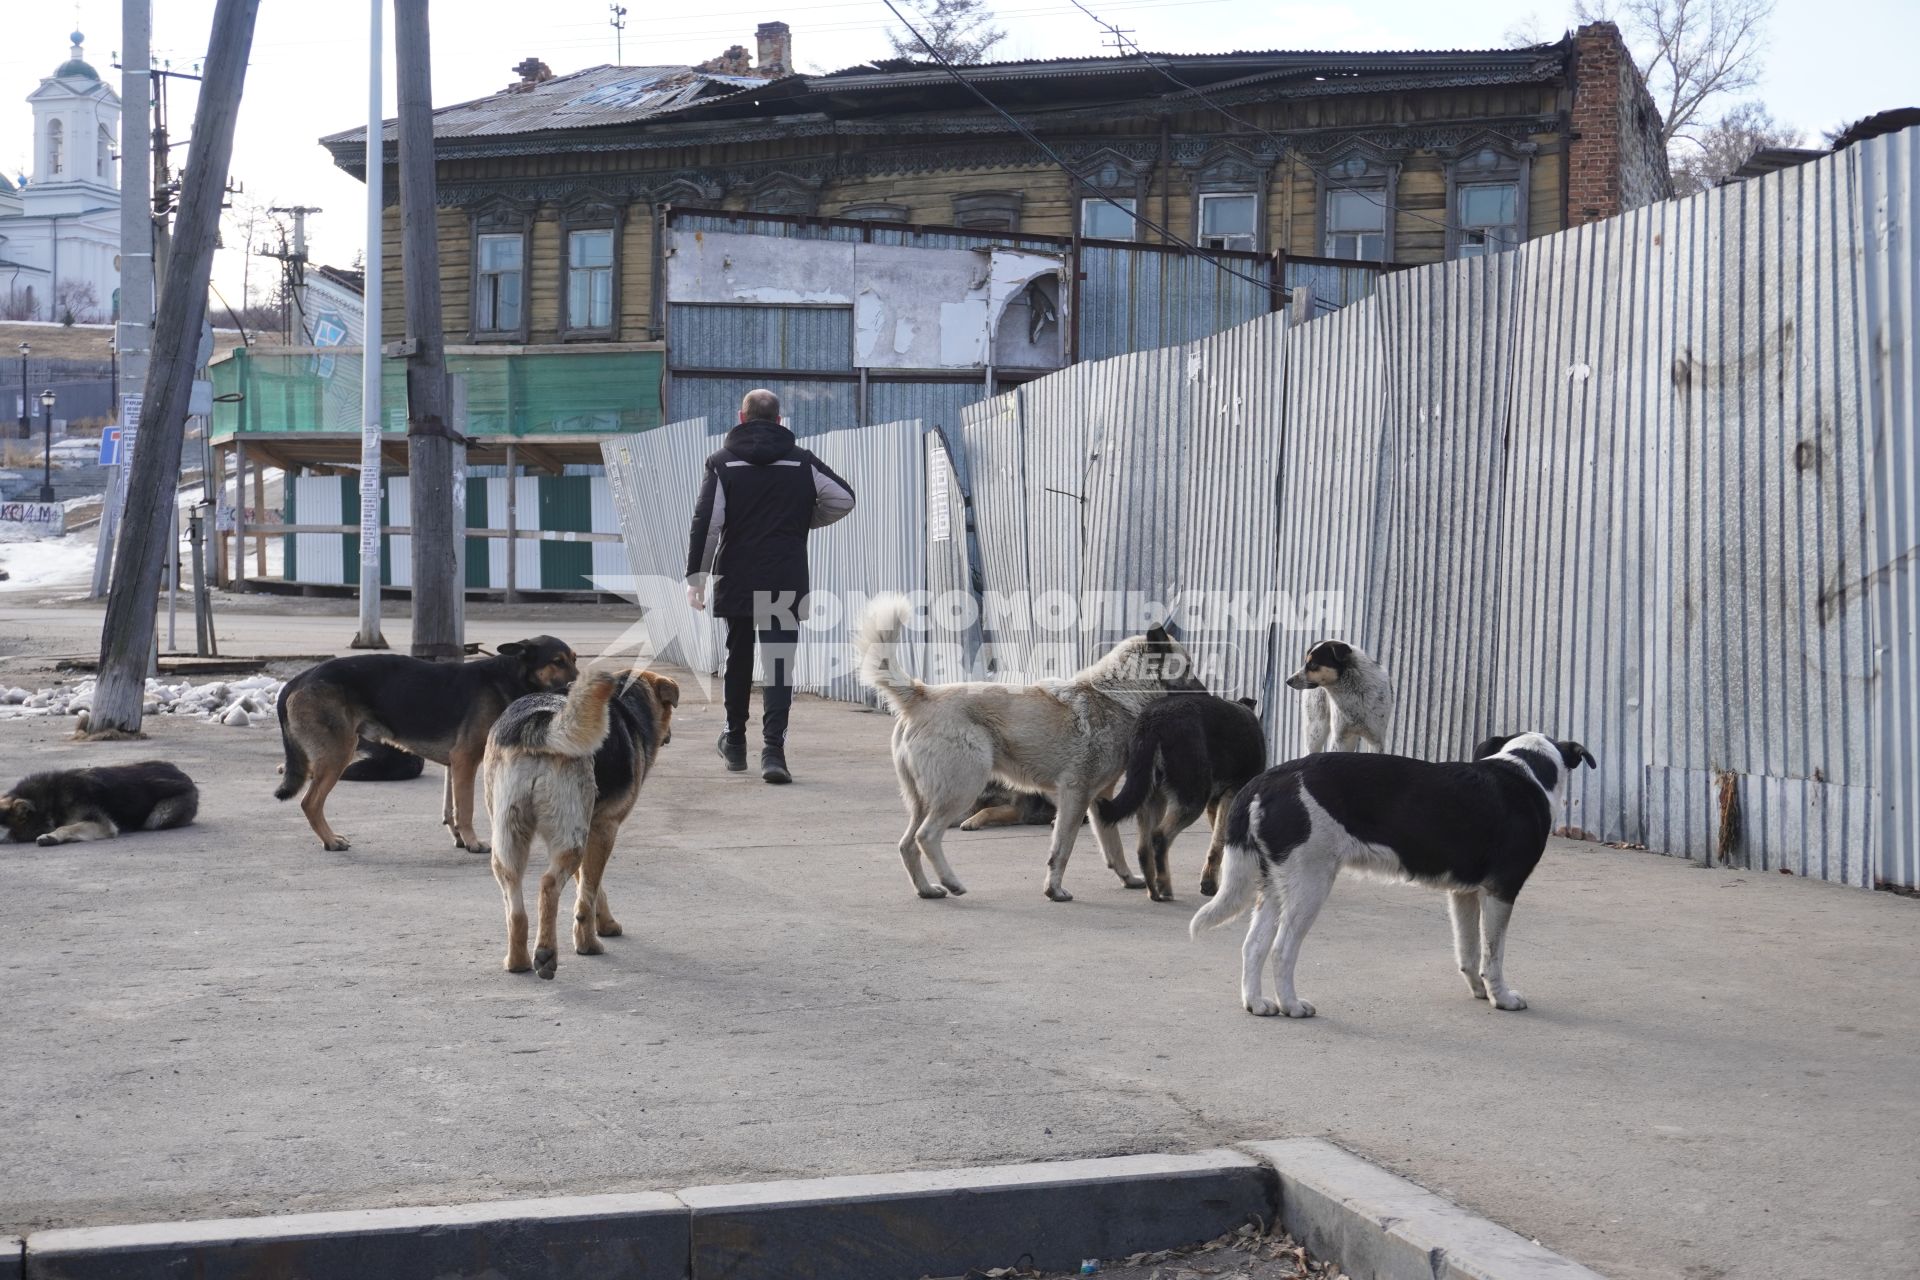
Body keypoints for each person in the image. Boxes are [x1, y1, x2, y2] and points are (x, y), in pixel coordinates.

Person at [685, 389, 856, 783]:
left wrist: (696, 578)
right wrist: (801, 521)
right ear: (780, 421)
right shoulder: (802, 461)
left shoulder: (723, 463)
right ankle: (774, 752)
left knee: (738, 658)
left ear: (741, 418)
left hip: (738, 575)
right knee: (779, 663)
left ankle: (735, 742)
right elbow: (843, 499)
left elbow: (708, 522)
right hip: (784, 575)